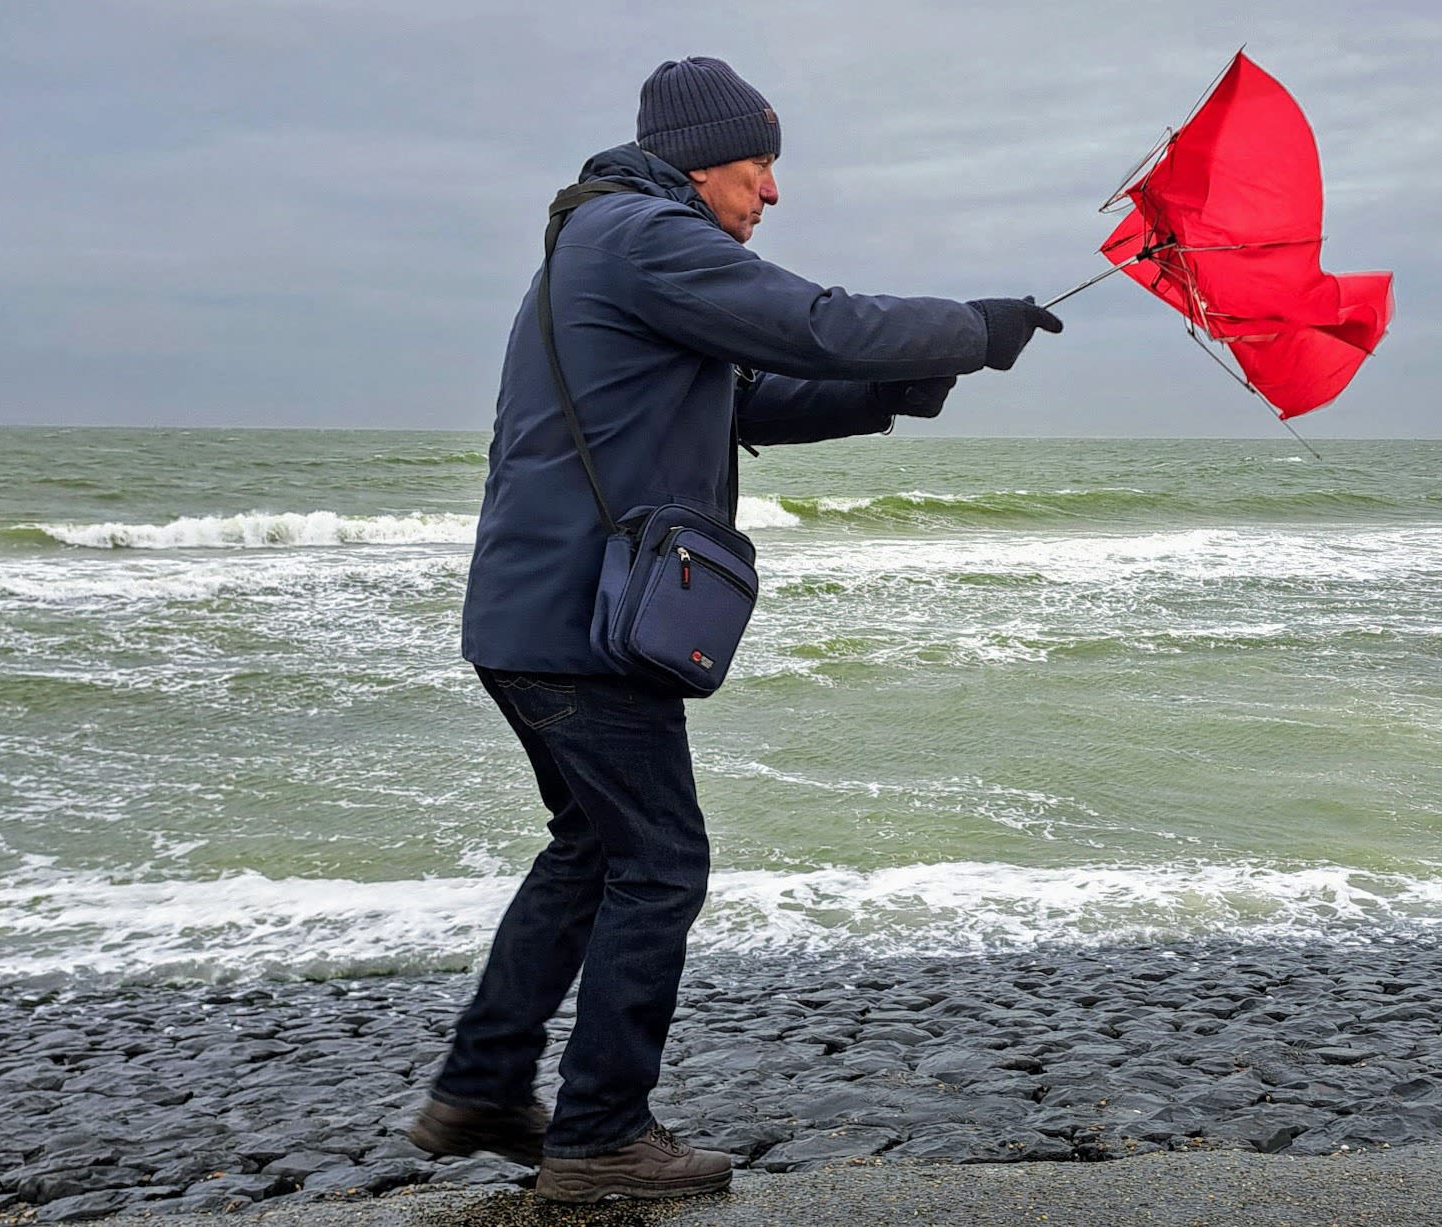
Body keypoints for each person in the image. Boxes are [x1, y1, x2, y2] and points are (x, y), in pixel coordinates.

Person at [405, 56, 1061, 1203]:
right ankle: (601, 1138)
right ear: (703, 163)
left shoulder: (606, 246)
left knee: (593, 848)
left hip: (533, 614)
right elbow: (809, 320)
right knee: (660, 863)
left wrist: (902, 386)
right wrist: (969, 326)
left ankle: (483, 1086)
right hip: (583, 626)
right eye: (759, 167)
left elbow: (748, 394)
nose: (770, 192)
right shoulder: (641, 237)